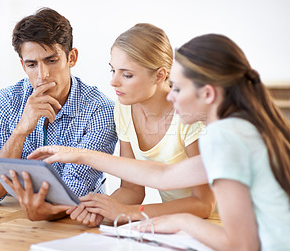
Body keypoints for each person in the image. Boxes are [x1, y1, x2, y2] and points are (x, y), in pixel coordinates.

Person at [28, 34, 290, 251]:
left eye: (177, 88)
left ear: (208, 94)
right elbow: (164, 176)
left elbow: (244, 247)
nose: (171, 96)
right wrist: (80, 154)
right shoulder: (241, 129)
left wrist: (181, 222)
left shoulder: (224, 137)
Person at [0, 8, 118, 221]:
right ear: (23, 65)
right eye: (32, 64)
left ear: (71, 57)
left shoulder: (99, 110)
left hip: (77, 226)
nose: (42, 75)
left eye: (51, 60)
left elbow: (73, 196)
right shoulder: (6, 102)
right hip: (15, 222)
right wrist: (20, 131)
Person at [60, 23, 215, 227]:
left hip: (219, 223)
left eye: (127, 74)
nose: (113, 82)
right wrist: (101, 209)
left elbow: (204, 204)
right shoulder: (124, 108)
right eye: (112, 70)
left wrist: (128, 212)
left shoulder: (189, 115)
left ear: (160, 75)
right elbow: (132, 189)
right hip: (178, 225)